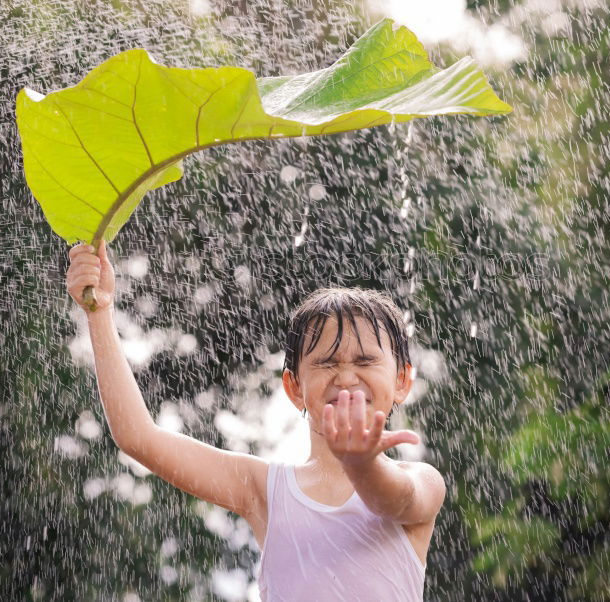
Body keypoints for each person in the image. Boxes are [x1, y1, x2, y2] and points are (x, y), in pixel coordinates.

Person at [66, 240, 446, 601]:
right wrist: (100, 313)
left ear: (402, 381)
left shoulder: (422, 480)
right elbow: (138, 438)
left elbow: (395, 501)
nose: (346, 377)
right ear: (294, 387)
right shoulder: (266, 490)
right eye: (326, 363)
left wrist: (361, 464)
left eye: (365, 362)